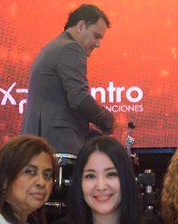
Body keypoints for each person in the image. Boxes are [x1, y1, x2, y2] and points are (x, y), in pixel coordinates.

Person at [20, 4, 115, 155]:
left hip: (39, 144)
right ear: (81, 26)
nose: (97, 44)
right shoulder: (70, 48)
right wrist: (108, 120)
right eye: (96, 36)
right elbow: (80, 99)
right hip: (54, 147)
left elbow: (55, 105)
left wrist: (84, 128)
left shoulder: (55, 46)